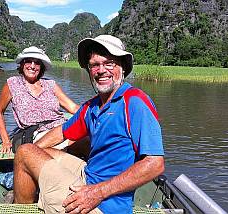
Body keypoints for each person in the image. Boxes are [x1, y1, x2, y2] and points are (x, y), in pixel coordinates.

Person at [12, 35, 165, 213]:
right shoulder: (92, 106)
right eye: (94, 65)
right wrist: (36, 150)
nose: (101, 70)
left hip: (102, 205)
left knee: (23, 152)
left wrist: (97, 192)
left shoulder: (135, 101)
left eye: (109, 63)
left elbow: (155, 164)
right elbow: (62, 131)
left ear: (122, 68)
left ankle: (20, 205)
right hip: (88, 174)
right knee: (35, 152)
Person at [0, 46, 80, 154]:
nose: (32, 66)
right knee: (66, 145)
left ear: (41, 67)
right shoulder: (12, 84)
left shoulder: (50, 84)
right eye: (28, 61)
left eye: (37, 63)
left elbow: (72, 107)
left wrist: (96, 113)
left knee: (90, 139)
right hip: (37, 133)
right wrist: (6, 140)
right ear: (22, 64)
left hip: (60, 126)